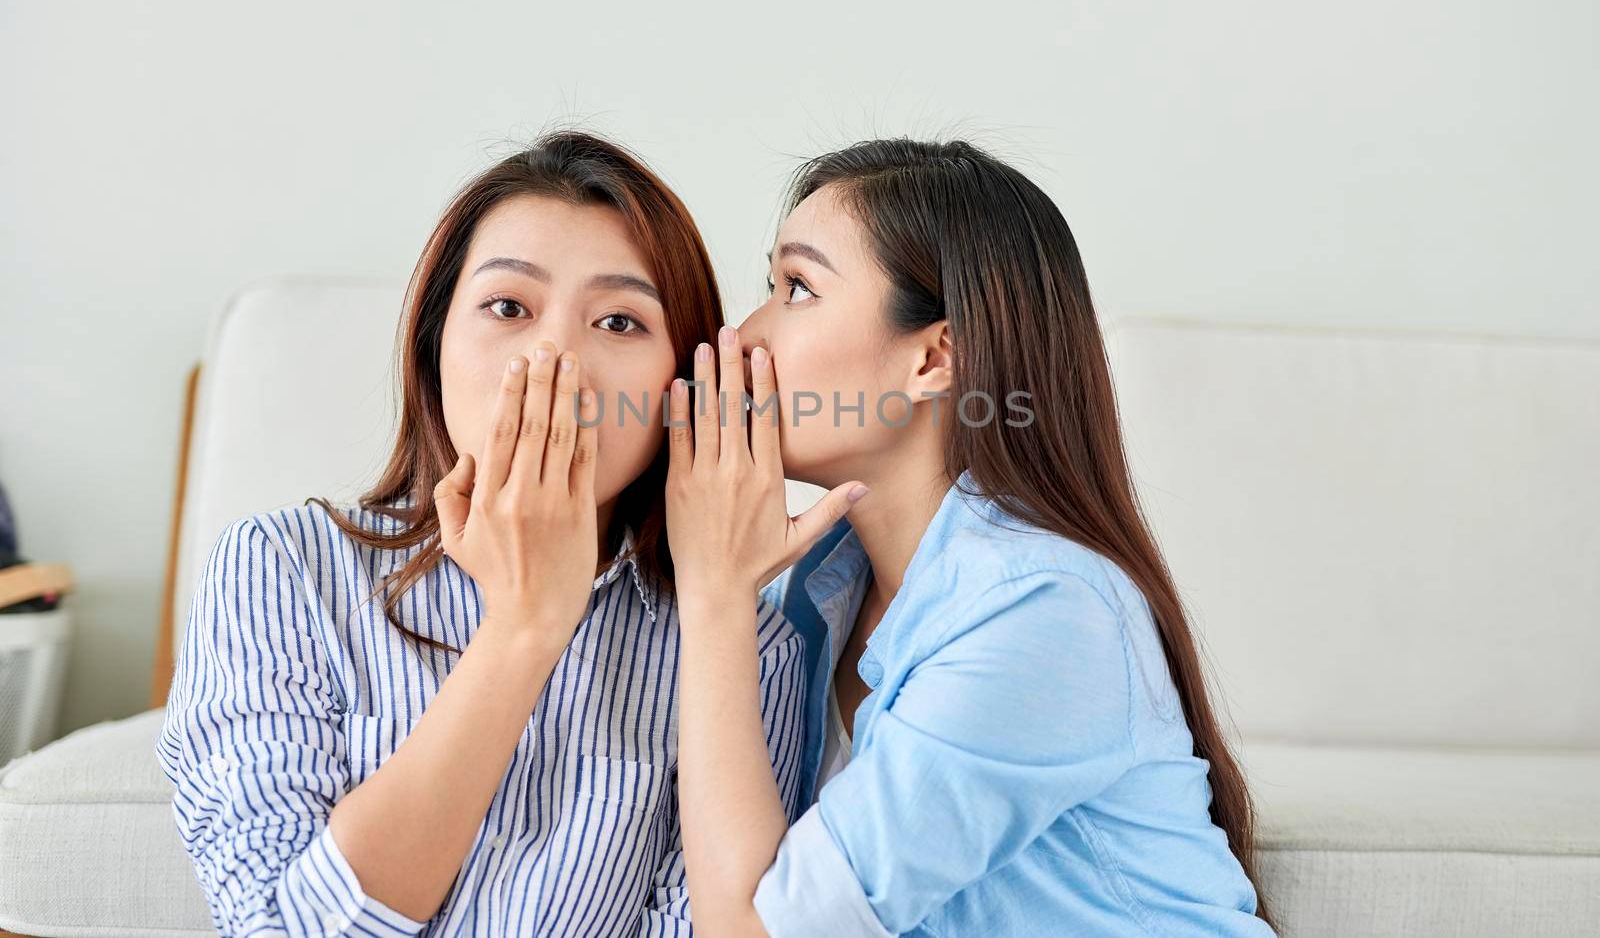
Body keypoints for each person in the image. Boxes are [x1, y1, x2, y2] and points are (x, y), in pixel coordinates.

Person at [155, 131, 809, 936]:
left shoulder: (748, 644)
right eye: (508, 307)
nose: (553, 356)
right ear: (434, 346)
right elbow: (280, 927)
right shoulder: (282, 569)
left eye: (618, 321)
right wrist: (524, 627)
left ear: (681, 386)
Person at [663, 137, 1278, 936]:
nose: (743, 336)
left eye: (798, 288)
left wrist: (714, 594)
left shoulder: (1042, 609)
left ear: (933, 357)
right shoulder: (821, 591)